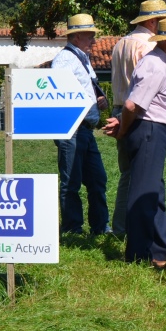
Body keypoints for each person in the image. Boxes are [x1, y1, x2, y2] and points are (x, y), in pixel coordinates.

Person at [103, 16, 166, 268]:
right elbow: (133, 104)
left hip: (151, 129)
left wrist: (122, 123)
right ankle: (138, 254)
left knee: (151, 189)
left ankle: (156, 247)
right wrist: (123, 127)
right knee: (143, 193)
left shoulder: (157, 62)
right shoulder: (155, 65)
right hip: (150, 130)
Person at [109, 0, 166, 237]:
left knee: (127, 172)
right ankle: (131, 229)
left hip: (119, 107)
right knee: (143, 174)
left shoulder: (120, 43)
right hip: (139, 112)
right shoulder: (148, 47)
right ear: (154, 21)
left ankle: (120, 227)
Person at [51, 13, 110, 235]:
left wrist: (99, 99)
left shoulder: (82, 58)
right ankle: (73, 227)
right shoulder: (65, 60)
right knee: (72, 181)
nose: (94, 41)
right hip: (73, 128)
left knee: (96, 179)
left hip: (84, 129)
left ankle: (98, 225)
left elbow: (88, 87)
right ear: (76, 37)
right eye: (89, 36)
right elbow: (58, 91)